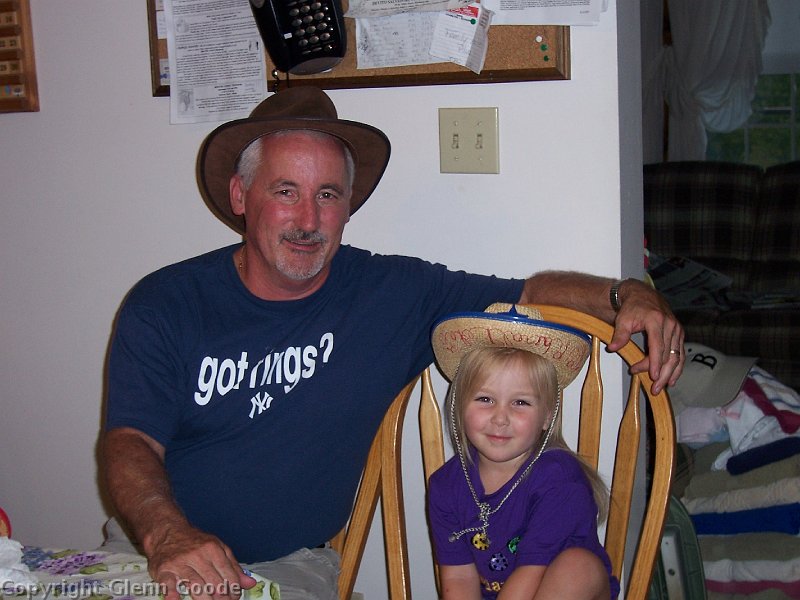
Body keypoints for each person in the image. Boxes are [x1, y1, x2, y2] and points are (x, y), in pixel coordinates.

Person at [100, 86, 684, 600]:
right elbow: (129, 443)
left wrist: (625, 293)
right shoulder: (166, 304)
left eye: (328, 195)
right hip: (153, 552)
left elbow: (528, 293)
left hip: (287, 568)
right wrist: (167, 534)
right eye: (285, 191)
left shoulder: (390, 293)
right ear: (240, 195)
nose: (308, 219)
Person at [428, 303, 618, 600]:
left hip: (563, 591)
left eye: (520, 403)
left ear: (547, 416)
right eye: (485, 399)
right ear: (459, 405)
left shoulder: (560, 480)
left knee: (577, 567)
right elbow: (458, 577)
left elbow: (531, 574)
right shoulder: (446, 485)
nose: (500, 418)